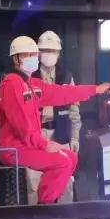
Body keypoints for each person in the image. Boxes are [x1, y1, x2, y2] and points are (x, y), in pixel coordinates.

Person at [0, 36, 110, 204]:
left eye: (34, 54)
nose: (33, 58)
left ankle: (48, 202)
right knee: (62, 162)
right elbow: (22, 126)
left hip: (27, 144)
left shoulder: (32, 84)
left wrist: (96, 89)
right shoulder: (12, 83)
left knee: (71, 157)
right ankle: (45, 206)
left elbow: (62, 93)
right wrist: (45, 144)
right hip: (13, 148)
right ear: (16, 59)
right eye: (27, 55)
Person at [25, 30, 80, 204]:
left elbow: (74, 110)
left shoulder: (67, 77)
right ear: (38, 53)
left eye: (53, 51)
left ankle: (65, 218)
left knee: (65, 183)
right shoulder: (28, 77)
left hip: (61, 135)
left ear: (58, 53)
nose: (49, 54)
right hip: (36, 137)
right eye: (45, 50)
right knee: (34, 183)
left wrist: (75, 137)